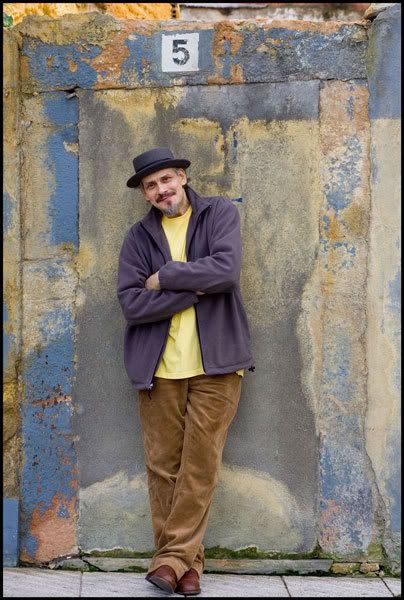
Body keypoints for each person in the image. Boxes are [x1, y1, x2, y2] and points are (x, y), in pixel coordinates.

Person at [117, 147, 253, 596]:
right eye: (151, 186)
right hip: (157, 370)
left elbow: (226, 271)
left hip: (217, 366)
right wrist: (194, 288)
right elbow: (132, 304)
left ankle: (169, 560)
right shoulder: (138, 238)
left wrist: (165, 277)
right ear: (145, 194)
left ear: (182, 177)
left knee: (200, 466)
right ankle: (186, 567)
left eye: (166, 180)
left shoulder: (218, 214)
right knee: (163, 469)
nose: (161, 190)